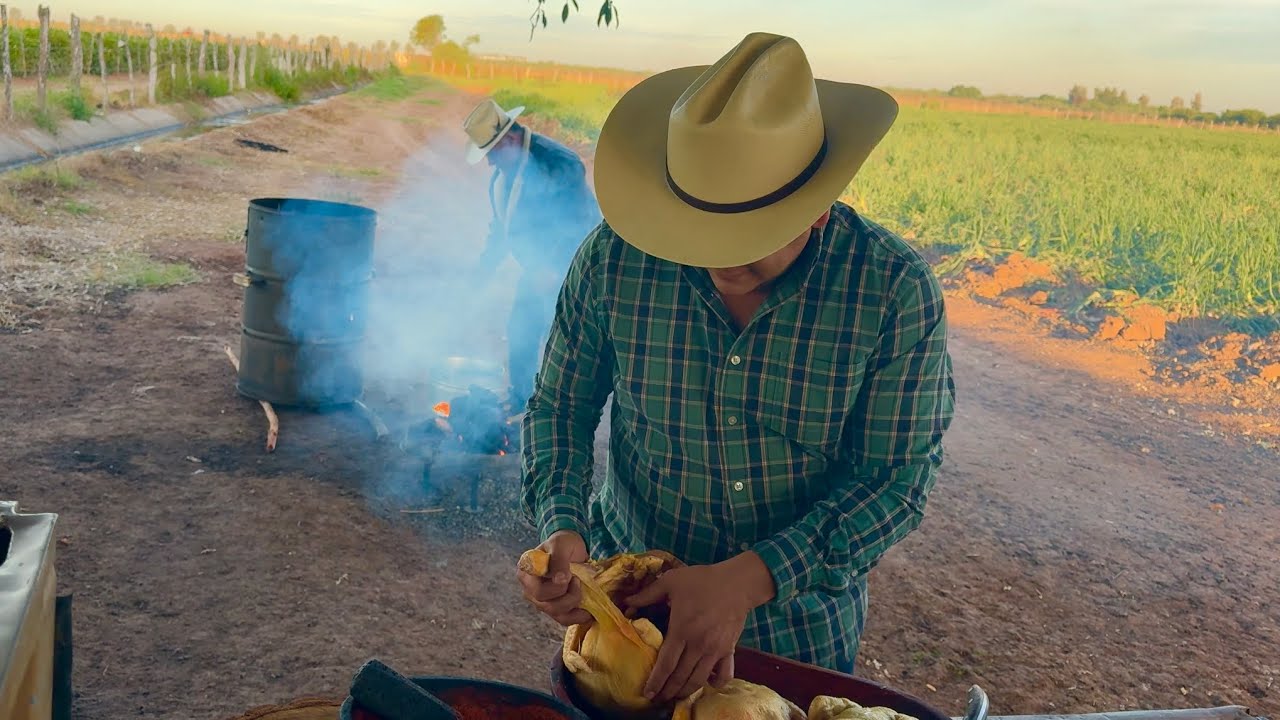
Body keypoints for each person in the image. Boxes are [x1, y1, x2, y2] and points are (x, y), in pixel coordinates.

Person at [516, 32, 956, 704]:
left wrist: (748, 579)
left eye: (750, 237)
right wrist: (561, 524)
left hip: (794, 637)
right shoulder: (614, 261)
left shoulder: (891, 293)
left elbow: (895, 477)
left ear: (816, 208)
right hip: (631, 629)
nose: (720, 261)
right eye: (696, 229)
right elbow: (559, 409)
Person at [462, 98, 602, 412]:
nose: (489, 163)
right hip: (538, 267)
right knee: (521, 329)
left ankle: (567, 409)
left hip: (574, 269)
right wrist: (480, 276)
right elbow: (501, 230)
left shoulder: (559, 164)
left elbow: (578, 222)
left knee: (567, 343)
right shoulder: (503, 176)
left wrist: (553, 269)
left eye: (491, 154)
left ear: (509, 140)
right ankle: (522, 397)